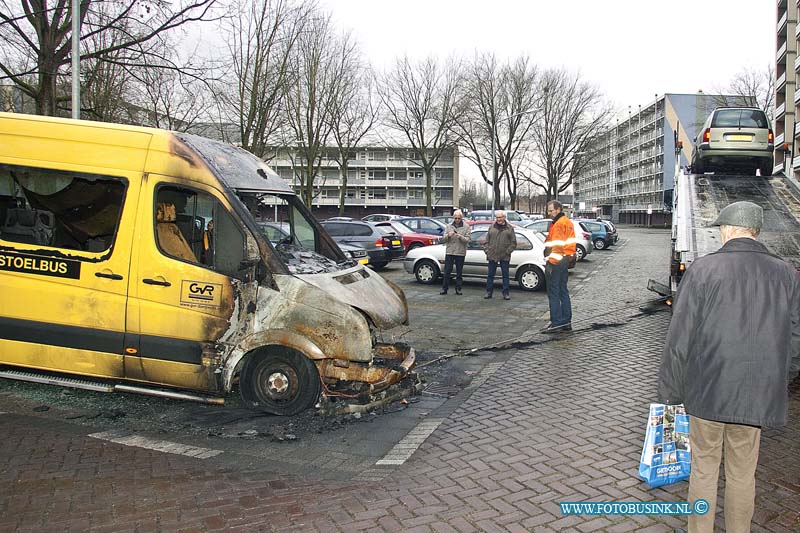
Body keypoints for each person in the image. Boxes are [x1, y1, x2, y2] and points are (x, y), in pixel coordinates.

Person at [658, 201, 800, 533]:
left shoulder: (703, 270)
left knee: (704, 470)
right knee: (742, 474)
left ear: (729, 230)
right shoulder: (786, 273)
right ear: (755, 231)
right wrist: (779, 377)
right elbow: (796, 336)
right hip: (755, 396)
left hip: (707, 391)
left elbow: (681, 337)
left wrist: (670, 392)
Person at [541, 200, 576, 333]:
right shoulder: (567, 222)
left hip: (556, 261)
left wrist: (550, 263)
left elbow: (556, 247)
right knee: (563, 291)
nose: (549, 213)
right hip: (565, 259)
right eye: (548, 211)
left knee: (553, 292)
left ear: (558, 209)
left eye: (551, 211)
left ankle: (556, 323)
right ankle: (566, 321)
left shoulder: (558, 225)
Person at [483, 210, 516, 300]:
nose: (499, 219)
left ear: (504, 217)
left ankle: (506, 293)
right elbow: (486, 241)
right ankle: (489, 292)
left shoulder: (509, 228)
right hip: (492, 255)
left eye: (500, 217)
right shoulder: (491, 227)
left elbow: (513, 243)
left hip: (505, 256)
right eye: (497, 217)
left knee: (505, 275)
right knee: (490, 275)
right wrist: (487, 251)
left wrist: (507, 252)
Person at [440, 209, 471, 295]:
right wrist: (448, 236)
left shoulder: (467, 227)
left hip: (460, 252)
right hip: (450, 251)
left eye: (459, 218)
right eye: (456, 218)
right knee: (447, 271)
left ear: (462, 218)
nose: (457, 220)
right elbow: (443, 239)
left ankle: (458, 288)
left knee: (459, 272)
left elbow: (468, 240)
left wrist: (460, 237)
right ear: (453, 218)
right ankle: (444, 288)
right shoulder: (448, 226)